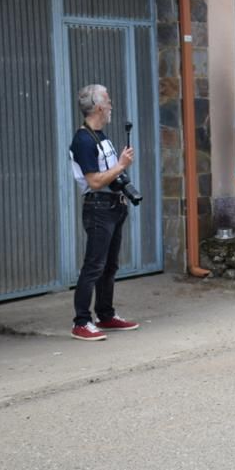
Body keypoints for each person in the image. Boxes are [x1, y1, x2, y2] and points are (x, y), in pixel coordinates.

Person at [69, 84, 140, 341]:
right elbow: (95, 181)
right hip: (98, 207)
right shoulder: (83, 140)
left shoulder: (101, 135)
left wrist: (120, 168)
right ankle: (81, 322)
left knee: (109, 265)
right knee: (94, 265)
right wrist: (121, 165)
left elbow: (110, 174)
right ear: (99, 107)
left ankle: (106, 315)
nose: (111, 106)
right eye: (108, 102)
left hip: (114, 206)